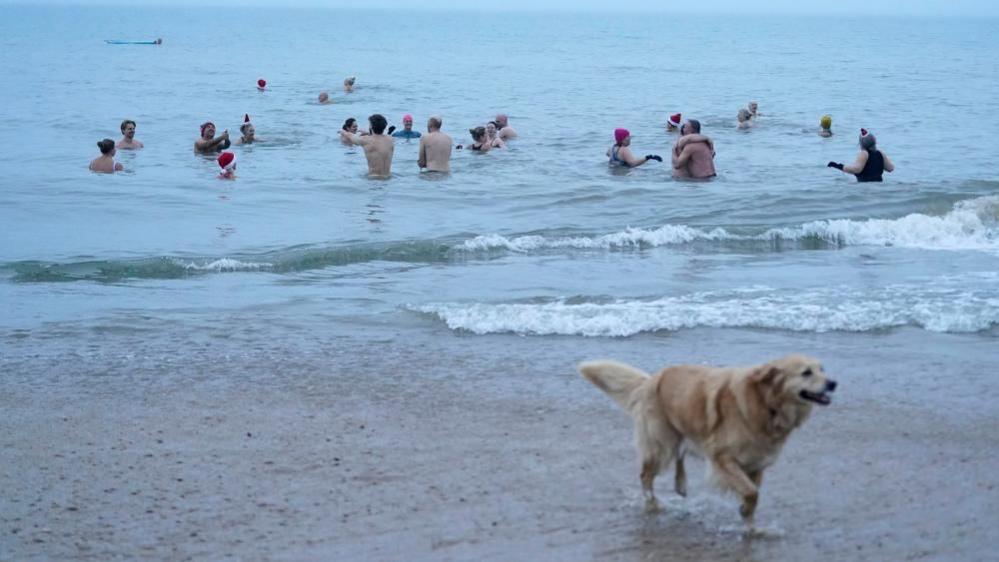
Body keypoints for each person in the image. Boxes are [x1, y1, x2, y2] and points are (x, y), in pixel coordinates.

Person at [827, 128, 895, 182]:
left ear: (861, 143)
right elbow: (890, 168)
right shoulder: (880, 153)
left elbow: (856, 169)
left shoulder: (864, 154)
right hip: (879, 186)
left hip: (866, 189)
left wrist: (838, 166)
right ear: (874, 141)